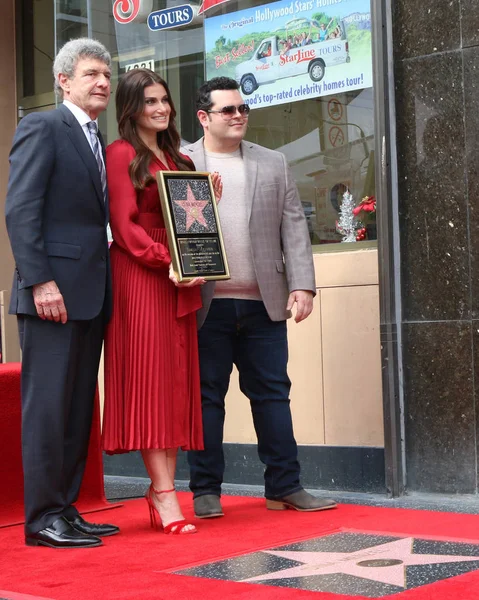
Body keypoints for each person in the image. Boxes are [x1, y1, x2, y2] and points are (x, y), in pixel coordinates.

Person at [185, 77, 337, 519]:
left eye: (242, 109)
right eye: (227, 110)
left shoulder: (273, 162)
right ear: (204, 117)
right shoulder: (180, 160)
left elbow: (294, 226)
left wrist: (302, 284)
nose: (238, 116)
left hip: (263, 302)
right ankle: (205, 490)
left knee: (273, 395)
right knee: (206, 399)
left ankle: (285, 486)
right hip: (203, 304)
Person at [4, 38, 119, 548]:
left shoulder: (97, 136)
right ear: (64, 79)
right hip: (51, 294)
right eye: (91, 73)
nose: (102, 83)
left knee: (75, 408)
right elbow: (20, 210)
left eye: (106, 75)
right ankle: (41, 518)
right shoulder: (43, 126)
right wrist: (40, 280)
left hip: (90, 295)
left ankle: (65, 509)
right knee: (48, 407)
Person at [102, 69, 221, 535]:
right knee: (151, 380)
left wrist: (206, 200)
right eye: (150, 101)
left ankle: (161, 489)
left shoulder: (177, 155)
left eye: (165, 100)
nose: (160, 108)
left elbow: (189, 219)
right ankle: (166, 494)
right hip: (141, 272)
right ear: (131, 107)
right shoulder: (120, 153)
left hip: (179, 276)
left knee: (173, 383)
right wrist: (164, 257)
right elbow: (124, 224)